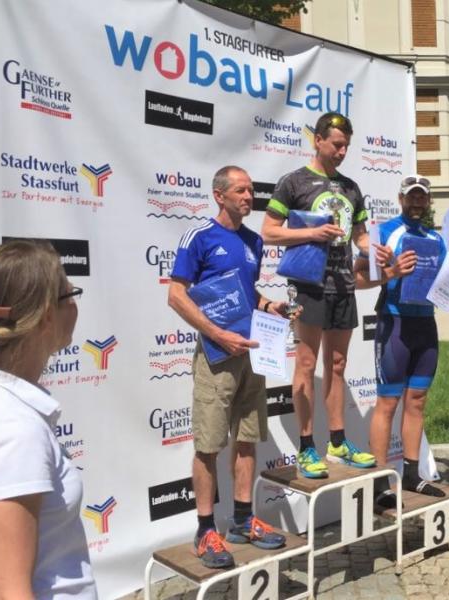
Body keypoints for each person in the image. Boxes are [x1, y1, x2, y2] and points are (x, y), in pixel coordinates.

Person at [168, 165, 297, 569]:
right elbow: (176, 295)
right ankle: (206, 530)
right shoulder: (199, 237)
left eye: (250, 191)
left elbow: (247, 292)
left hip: (251, 352)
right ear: (219, 195)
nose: (248, 197)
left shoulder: (254, 241)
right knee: (208, 445)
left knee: (246, 439)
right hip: (216, 356)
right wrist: (218, 334)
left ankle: (242, 521)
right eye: (240, 190)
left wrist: (269, 305)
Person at [0, 240, 97, 599]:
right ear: (47, 315)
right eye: (70, 294)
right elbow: (8, 594)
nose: (76, 305)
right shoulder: (11, 431)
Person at [262, 112, 385, 478]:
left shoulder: (351, 188)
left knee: (338, 365)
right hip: (308, 286)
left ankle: (337, 441)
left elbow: (360, 236)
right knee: (305, 364)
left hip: (343, 285)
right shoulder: (294, 182)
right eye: (336, 145)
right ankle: (306, 446)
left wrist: (375, 250)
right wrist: (310, 234)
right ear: (318, 140)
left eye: (347, 146)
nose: (342, 152)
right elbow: (269, 231)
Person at [354, 175, 449, 508]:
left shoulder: (435, 240)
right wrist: (393, 272)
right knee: (388, 403)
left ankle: (411, 473)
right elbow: (357, 278)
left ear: (428, 201)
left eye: (422, 197)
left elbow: (446, 290)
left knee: (418, 400)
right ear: (400, 199)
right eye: (411, 196)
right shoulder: (384, 233)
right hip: (394, 323)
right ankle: (380, 481)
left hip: (425, 324)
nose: (416, 202)